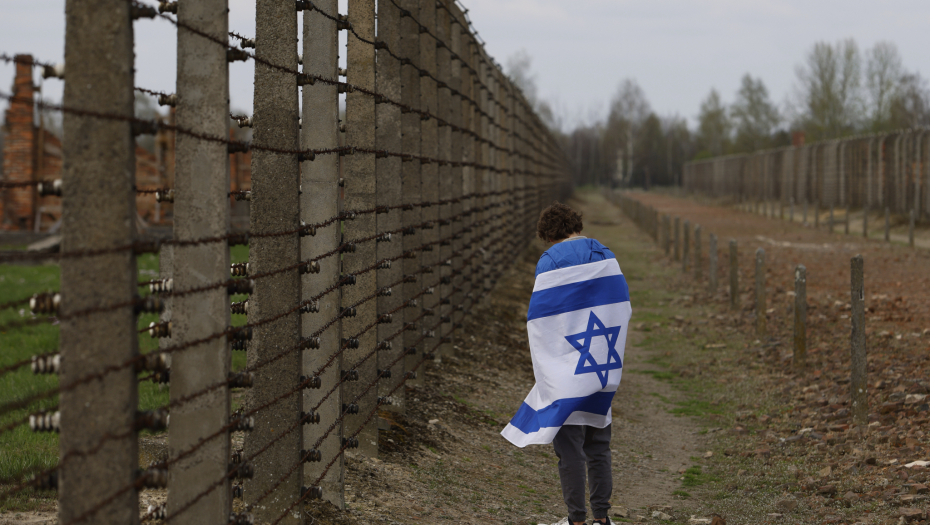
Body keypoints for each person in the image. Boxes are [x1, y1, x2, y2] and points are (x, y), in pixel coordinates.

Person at [501, 202, 632, 525]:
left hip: (568, 371)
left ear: (547, 234)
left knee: (570, 448)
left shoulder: (550, 261)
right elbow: (620, 307)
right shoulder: (606, 255)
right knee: (599, 444)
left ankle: (576, 520)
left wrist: (548, 367)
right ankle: (602, 519)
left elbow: (543, 321)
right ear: (576, 224)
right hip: (600, 364)